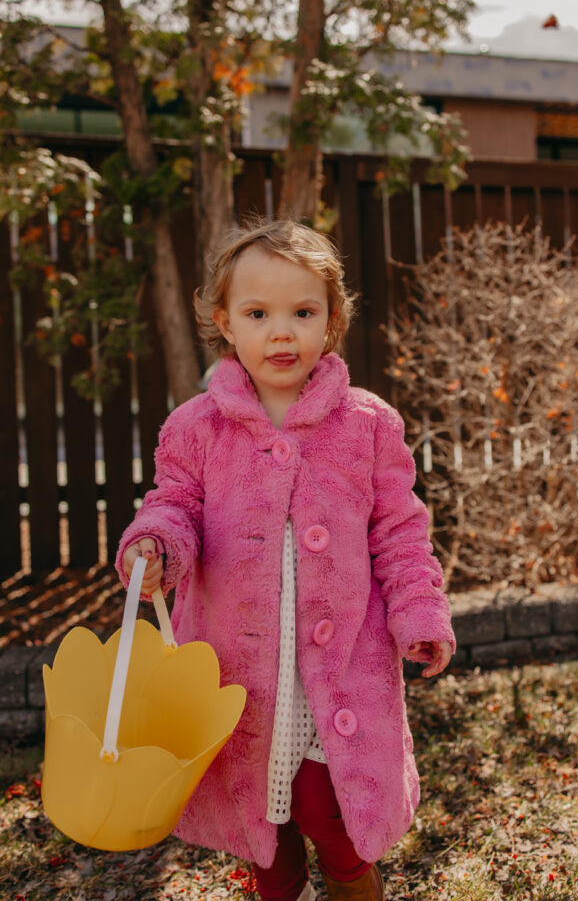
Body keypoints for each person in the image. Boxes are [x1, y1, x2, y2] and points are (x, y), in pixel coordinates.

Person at [117, 219, 455, 901]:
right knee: (263, 833)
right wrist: (154, 546)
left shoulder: (366, 425)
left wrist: (418, 608)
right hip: (244, 679)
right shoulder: (198, 427)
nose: (281, 332)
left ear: (330, 321)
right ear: (224, 322)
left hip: (337, 675)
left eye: (302, 313)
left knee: (334, 819)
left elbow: (399, 531)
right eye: (258, 313)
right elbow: (173, 504)